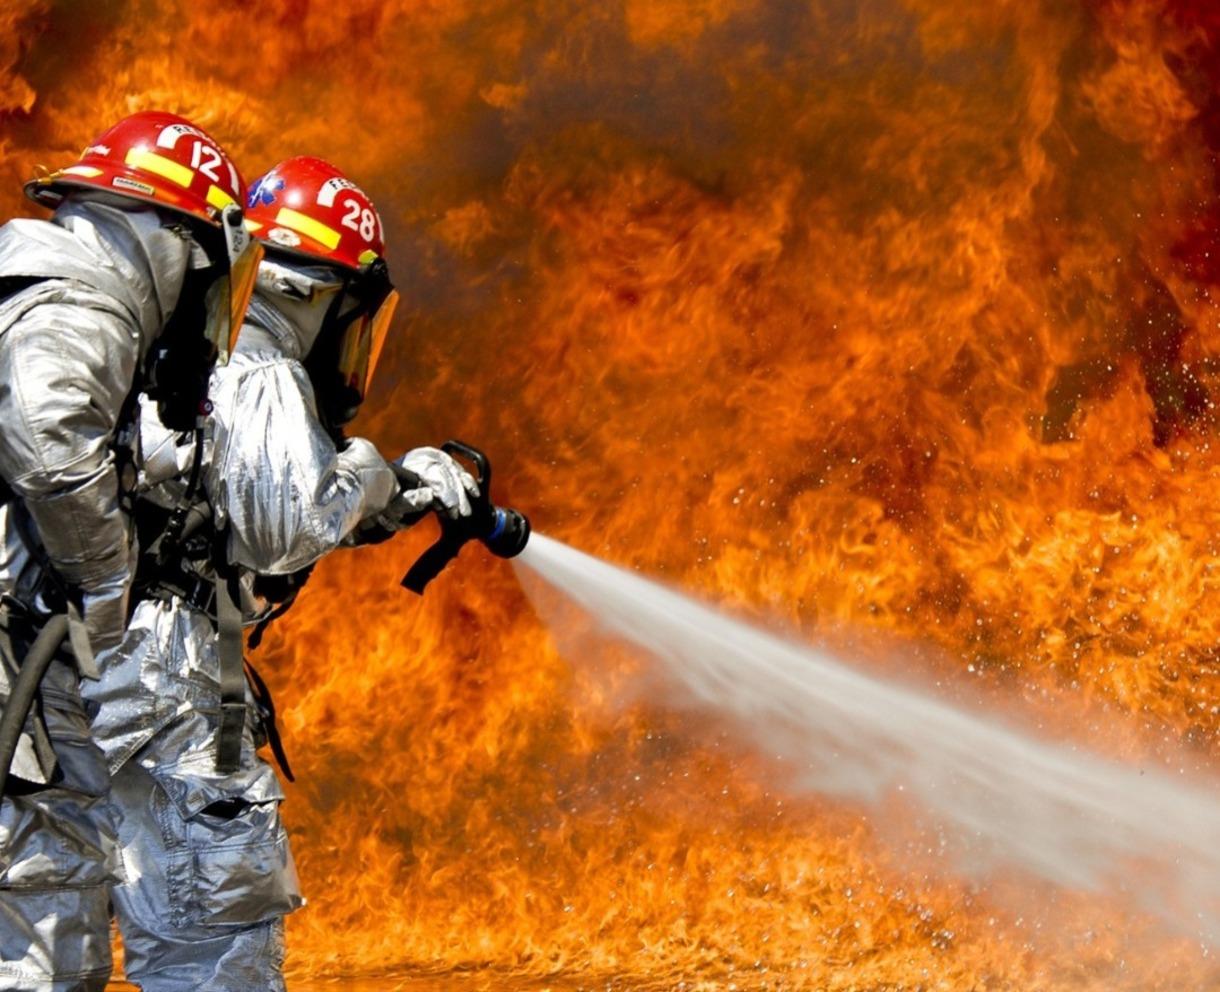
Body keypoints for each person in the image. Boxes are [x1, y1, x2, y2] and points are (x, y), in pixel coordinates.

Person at [83, 156, 478, 992]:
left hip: (75, 658)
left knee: (49, 929)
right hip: (164, 675)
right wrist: (388, 470)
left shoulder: (172, 345)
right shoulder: (258, 359)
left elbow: (228, 495)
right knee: (212, 943)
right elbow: (286, 525)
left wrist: (398, 493)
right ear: (322, 290)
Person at [0, 112, 257, 992]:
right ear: (173, 244)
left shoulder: (28, 287)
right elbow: (46, 439)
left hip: (25, 674)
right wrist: (106, 578)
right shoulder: (82, 302)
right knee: (43, 914)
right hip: (15, 666)